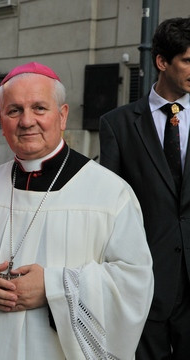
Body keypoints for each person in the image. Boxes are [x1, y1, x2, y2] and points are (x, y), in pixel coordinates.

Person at [0, 62, 154, 359]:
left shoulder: (109, 193)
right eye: (14, 111)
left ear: (62, 116)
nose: (26, 121)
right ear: (1, 120)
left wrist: (54, 287)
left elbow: (133, 281)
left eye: (39, 108)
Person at [99, 17, 190, 359]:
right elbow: (108, 208)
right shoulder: (117, 124)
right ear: (162, 62)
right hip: (142, 277)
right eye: (188, 60)